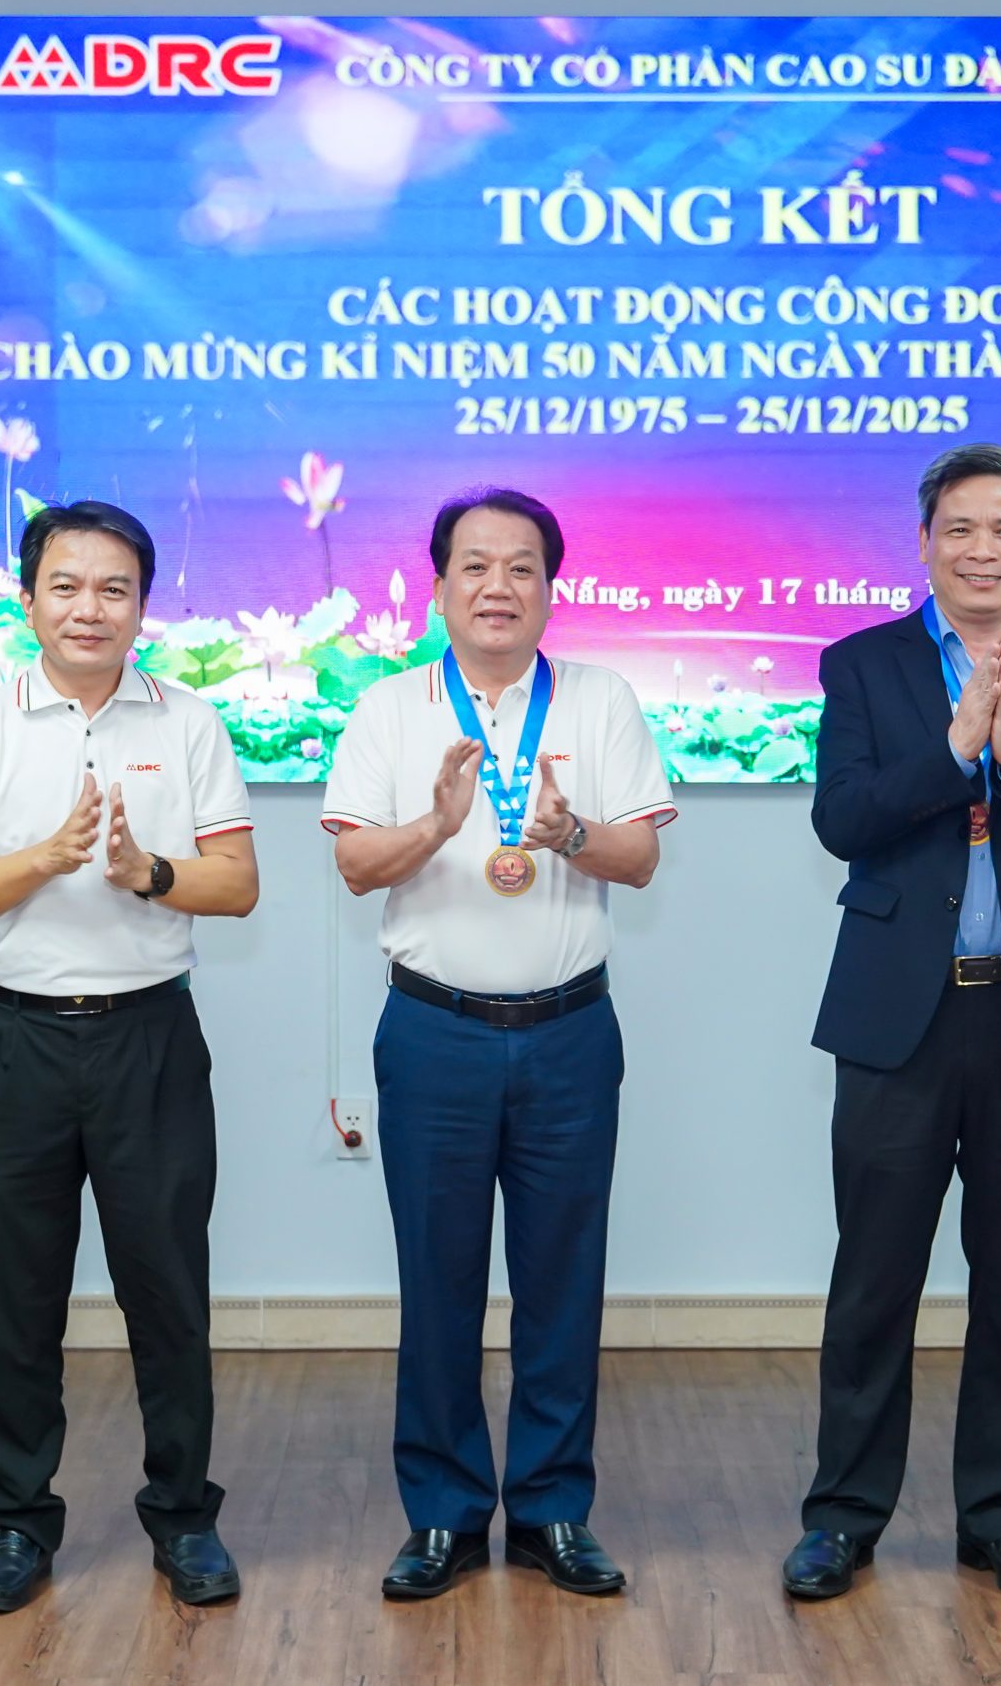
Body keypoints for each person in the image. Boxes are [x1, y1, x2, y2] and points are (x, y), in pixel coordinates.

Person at [782, 444, 1001, 1605]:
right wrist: (952, 753)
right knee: (872, 1282)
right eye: (961, 529)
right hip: (899, 1016)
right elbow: (843, 821)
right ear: (925, 543)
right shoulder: (862, 666)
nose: (983, 550)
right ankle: (843, 1517)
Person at [320, 487, 675, 1601]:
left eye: (522, 567)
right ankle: (442, 1514)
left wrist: (570, 832)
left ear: (551, 590)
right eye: (474, 566)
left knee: (564, 1279)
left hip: (570, 1033)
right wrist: (437, 823)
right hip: (435, 1033)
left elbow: (640, 860)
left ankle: (554, 1511)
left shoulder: (601, 700)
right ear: (438, 588)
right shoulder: (390, 708)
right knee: (438, 1283)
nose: (498, 587)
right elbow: (354, 866)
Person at [0, 499, 259, 1614]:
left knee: (169, 1293)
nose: (89, 608)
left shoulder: (189, 722)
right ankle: (18, 1523)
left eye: (114, 588)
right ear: (29, 601)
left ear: (143, 607)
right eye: (66, 586)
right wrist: (46, 856)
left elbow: (237, 883)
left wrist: (146, 871)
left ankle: (184, 1517)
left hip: (148, 1039)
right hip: (11, 1043)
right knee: (14, 1298)